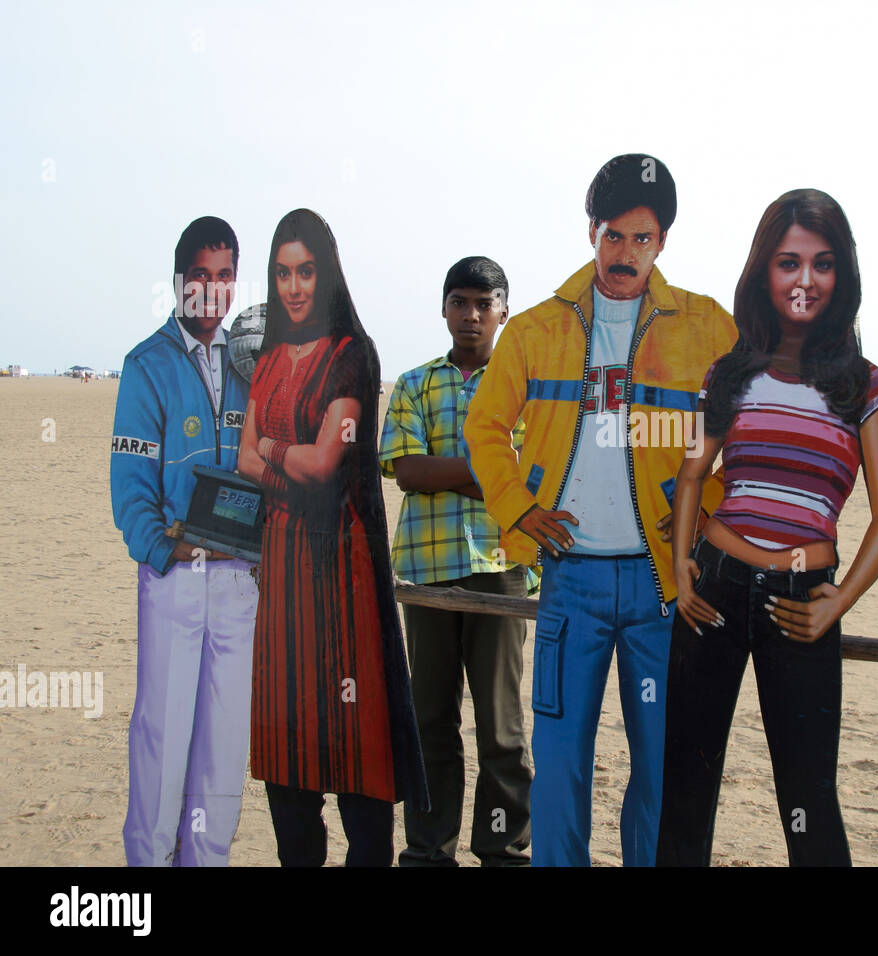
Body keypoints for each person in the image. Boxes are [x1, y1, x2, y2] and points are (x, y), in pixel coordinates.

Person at [464, 153, 737, 866]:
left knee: (658, 769)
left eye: (641, 239)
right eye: (613, 235)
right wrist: (520, 510)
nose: (624, 253)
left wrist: (704, 520)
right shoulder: (533, 330)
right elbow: (485, 427)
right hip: (570, 583)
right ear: (591, 230)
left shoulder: (708, 328)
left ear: (664, 241)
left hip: (661, 586)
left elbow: (743, 434)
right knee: (559, 769)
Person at [656, 189, 878, 866]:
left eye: (822, 264)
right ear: (764, 272)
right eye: (788, 262)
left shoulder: (863, 384)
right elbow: (688, 476)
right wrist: (680, 570)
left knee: (808, 799)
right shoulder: (730, 375)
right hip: (713, 587)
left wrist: (842, 598)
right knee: (685, 781)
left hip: (803, 601)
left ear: (842, 275)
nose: (804, 280)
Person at [237, 208, 427, 867]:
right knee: (289, 745)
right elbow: (245, 463)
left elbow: (326, 466)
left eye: (306, 271)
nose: (294, 286)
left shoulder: (352, 356)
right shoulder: (265, 359)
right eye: (283, 272)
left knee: (353, 742)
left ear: (327, 273)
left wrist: (270, 446)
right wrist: (282, 454)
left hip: (340, 567)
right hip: (282, 566)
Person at [111, 215, 257, 866]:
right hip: (174, 581)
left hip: (239, 588)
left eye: (225, 277)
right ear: (178, 282)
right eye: (201, 275)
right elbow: (130, 482)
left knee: (222, 754)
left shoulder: (254, 368)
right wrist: (164, 549)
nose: (212, 290)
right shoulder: (146, 365)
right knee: (163, 744)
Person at [380, 256, 535, 866]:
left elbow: (529, 475)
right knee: (430, 720)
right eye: (459, 302)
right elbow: (407, 470)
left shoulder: (527, 386)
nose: (470, 314)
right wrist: (488, 474)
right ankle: (427, 849)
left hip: (501, 569)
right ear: (444, 308)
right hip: (426, 571)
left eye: (483, 302)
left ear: (503, 310)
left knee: (501, 726)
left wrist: (473, 477)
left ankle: (503, 850)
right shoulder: (415, 384)